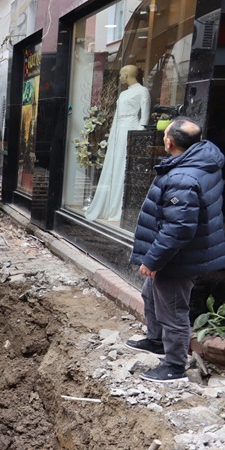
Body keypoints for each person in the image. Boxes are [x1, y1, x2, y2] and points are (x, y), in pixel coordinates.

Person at [126, 117, 225, 383]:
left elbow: (178, 229)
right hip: (183, 252)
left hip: (179, 257)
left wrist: (153, 260)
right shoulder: (203, 160)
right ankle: (156, 340)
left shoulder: (182, 177)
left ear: (169, 142)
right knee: (150, 294)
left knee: (172, 311)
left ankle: (174, 366)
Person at [85, 64, 150, 222]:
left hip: (131, 128)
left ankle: (119, 206)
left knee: (124, 164)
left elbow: (144, 117)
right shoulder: (123, 94)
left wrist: (138, 137)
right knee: (115, 164)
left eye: (122, 75)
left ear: (127, 75)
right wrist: (112, 134)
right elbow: (117, 116)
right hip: (119, 130)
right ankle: (109, 204)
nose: (120, 78)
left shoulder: (142, 91)